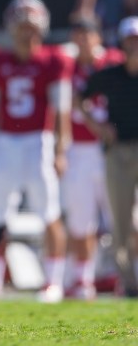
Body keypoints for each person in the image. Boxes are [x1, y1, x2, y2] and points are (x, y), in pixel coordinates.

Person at [0, 0, 73, 303]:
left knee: (49, 212)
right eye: (21, 27)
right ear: (11, 29)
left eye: (31, 28)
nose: (27, 34)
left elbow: (62, 112)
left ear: (42, 29)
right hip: (5, 143)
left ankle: (53, 283)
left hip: (38, 142)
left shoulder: (54, 60)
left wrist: (60, 150)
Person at [62, 17, 124, 300]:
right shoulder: (66, 65)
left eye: (88, 35)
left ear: (98, 37)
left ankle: (128, 273)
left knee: (123, 217)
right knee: (80, 218)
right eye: (78, 36)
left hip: (111, 148)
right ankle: (83, 279)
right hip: (78, 148)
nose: (83, 41)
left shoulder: (114, 61)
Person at [79, 16, 138, 298]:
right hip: (120, 152)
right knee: (121, 219)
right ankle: (128, 282)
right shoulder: (110, 75)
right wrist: (98, 127)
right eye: (131, 40)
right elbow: (81, 98)